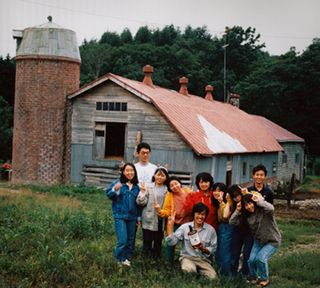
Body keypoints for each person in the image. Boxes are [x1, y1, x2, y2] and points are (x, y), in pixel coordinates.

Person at [230, 194, 281, 287]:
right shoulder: (247, 217)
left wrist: (259, 201)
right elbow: (232, 222)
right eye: (246, 205)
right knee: (251, 260)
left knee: (260, 259)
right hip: (259, 241)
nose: (249, 207)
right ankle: (254, 277)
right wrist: (237, 211)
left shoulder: (265, 212)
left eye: (250, 203)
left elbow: (271, 208)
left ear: (254, 203)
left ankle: (265, 279)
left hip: (272, 241)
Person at [166, 202, 218, 280]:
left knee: (213, 278)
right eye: (198, 214)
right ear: (193, 214)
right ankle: (191, 271)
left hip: (203, 260)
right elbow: (171, 242)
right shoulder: (185, 227)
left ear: (205, 216)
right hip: (188, 257)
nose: (200, 216)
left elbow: (213, 249)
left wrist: (202, 248)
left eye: (203, 214)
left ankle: (199, 272)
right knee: (189, 271)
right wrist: (171, 225)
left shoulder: (210, 230)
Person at [106, 163, 141, 266]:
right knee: (122, 240)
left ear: (134, 172)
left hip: (132, 217)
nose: (130, 172)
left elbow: (138, 204)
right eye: (127, 170)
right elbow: (109, 194)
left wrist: (138, 218)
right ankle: (117, 260)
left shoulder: (136, 187)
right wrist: (115, 189)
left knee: (130, 240)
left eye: (132, 170)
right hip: (120, 216)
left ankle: (125, 258)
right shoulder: (118, 183)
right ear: (123, 172)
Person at [154, 176, 193, 266]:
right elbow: (167, 211)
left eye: (176, 184)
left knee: (191, 245)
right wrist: (159, 211)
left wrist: (192, 195)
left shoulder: (187, 192)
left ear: (180, 183)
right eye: (171, 186)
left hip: (189, 224)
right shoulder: (170, 195)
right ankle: (169, 264)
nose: (174, 186)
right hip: (175, 224)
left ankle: (190, 264)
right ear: (169, 188)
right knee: (169, 244)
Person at [226, 184, 261, 279]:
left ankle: (244, 275)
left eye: (238, 195)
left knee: (246, 254)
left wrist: (246, 193)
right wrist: (237, 210)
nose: (237, 198)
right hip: (237, 231)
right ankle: (233, 275)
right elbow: (230, 221)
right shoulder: (234, 204)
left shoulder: (248, 200)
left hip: (249, 232)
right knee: (234, 254)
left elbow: (261, 199)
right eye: (234, 197)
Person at [136, 166, 169, 258]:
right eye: (158, 175)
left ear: (166, 177)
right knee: (147, 239)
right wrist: (142, 193)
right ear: (154, 176)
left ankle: (156, 257)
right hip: (149, 217)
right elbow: (140, 202)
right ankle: (146, 258)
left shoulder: (168, 189)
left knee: (158, 240)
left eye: (162, 176)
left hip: (161, 218)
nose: (159, 177)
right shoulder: (148, 187)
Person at [211, 182, 233, 276]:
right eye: (215, 190)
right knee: (218, 251)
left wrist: (222, 202)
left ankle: (227, 275)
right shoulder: (217, 202)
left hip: (227, 227)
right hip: (220, 227)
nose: (216, 193)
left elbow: (225, 216)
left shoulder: (228, 202)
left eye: (219, 191)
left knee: (224, 252)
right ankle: (221, 272)